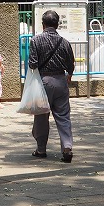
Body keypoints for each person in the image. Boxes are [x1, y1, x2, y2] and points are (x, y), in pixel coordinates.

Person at [27, 9, 76, 162]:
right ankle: (67, 146)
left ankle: (41, 149)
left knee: (41, 116)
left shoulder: (35, 40)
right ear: (57, 25)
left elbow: (33, 64)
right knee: (63, 116)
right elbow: (70, 65)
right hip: (61, 81)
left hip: (43, 83)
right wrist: (68, 76)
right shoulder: (64, 42)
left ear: (43, 25)